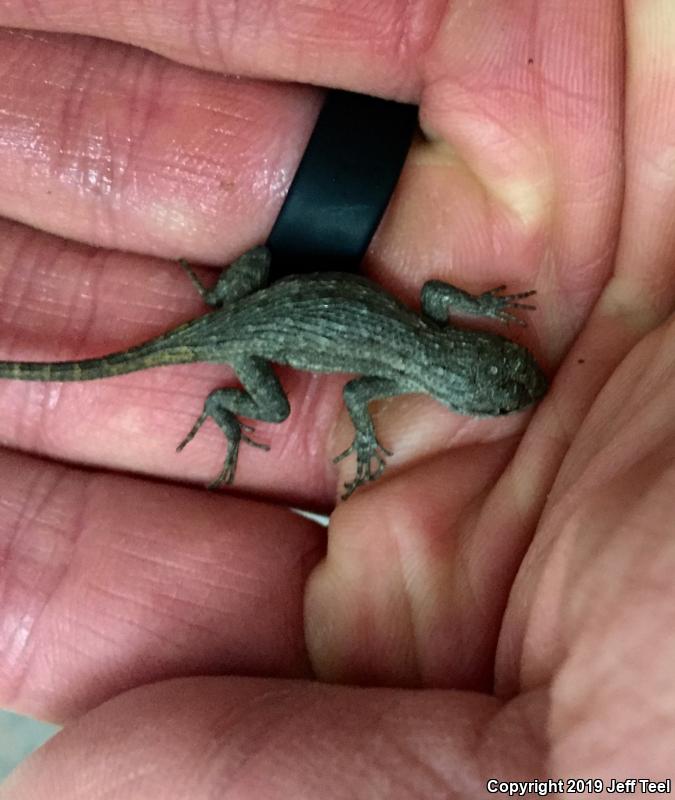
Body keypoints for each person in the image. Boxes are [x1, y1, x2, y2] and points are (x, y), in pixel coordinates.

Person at [0, 1, 673, 795]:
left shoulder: (423, 337)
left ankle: (219, 326)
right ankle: (219, 408)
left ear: (466, 361)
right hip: (249, 330)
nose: (505, 375)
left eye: (497, 377)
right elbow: (363, 384)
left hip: (250, 307)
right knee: (276, 411)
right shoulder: (400, 373)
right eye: (499, 369)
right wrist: (365, 433)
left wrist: (477, 309)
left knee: (248, 371)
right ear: (459, 372)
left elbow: (420, 301)